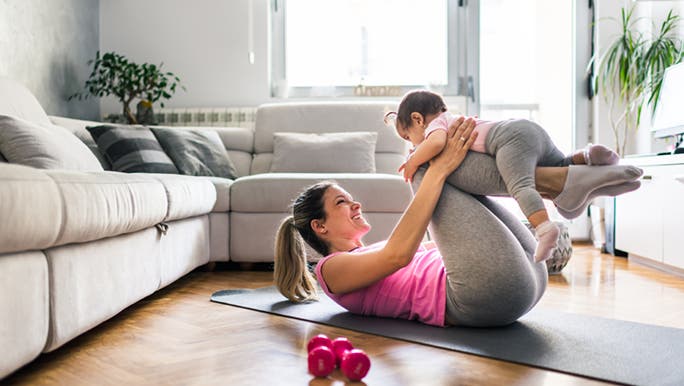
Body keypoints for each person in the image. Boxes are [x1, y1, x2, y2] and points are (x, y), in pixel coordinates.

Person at [273, 116, 642, 328]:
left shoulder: (366, 253)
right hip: (483, 295)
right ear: (319, 227)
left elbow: (451, 236)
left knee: (432, 163)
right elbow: (399, 256)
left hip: (522, 280)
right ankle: (558, 181)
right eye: (341, 202)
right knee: (420, 169)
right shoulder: (331, 271)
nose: (354, 203)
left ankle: (562, 181)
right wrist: (436, 165)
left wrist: (445, 162)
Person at [385, 90, 620, 262]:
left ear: (417, 119)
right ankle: (589, 156)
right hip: (532, 132)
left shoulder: (437, 126)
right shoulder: (452, 118)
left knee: (520, 184)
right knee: (560, 163)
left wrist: (412, 160)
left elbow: (435, 143)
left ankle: (545, 229)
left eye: (408, 138)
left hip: (511, 139)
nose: (412, 144)